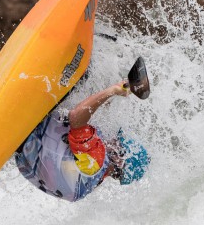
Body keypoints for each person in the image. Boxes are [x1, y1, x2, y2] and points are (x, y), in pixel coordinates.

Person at [15, 80, 150, 201]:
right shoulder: (84, 189)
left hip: (27, 122)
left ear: (120, 160)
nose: (112, 138)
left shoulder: (97, 160)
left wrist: (112, 90)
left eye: (117, 142)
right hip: (17, 147)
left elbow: (76, 116)